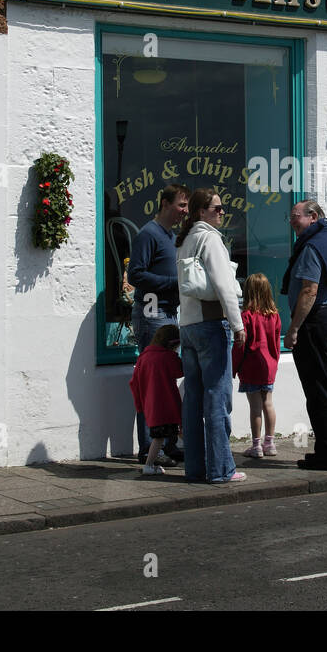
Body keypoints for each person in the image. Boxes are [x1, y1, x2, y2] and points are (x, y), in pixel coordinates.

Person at [176, 189, 247, 485]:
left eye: (222, 207)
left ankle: (195, 469)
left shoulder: (186, 240)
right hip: (210, 325)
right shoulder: (210, 238)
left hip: (188, 327)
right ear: (201, 211)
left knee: (192, 402)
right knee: (218, 400)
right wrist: (238, 324)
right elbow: (223, 285)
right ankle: (221, 469)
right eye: (217, 208)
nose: (222, 212)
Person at [282, 200, 327, 471]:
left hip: (316, 322)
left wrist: (294, 328)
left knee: (318, 391)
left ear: (312, 216)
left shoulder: (312, 246)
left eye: (295, 216)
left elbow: (309, 290)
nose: (291, 221)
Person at [127, 183, 190, 463]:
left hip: (167, 313)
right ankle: (149, 448)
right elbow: (136, 275)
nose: (184, 211)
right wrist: (173, 283)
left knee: (164, 381)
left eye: (187, 206)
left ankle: (164, 442)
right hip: (153, 315)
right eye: (181, 205)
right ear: (164, 204)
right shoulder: (148, 234)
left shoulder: (169, 235)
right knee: (154, 382)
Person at [234, 273, 282, 459]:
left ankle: (256, 446)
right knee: (268, 403)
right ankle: (269, 443)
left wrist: (233, 368)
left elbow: (240, 346)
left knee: (255, 407)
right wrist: (274, 363)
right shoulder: (275, 316)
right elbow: (277, 345)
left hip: (251, 366)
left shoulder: (246, 316)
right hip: (269, 365)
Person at [128, 325, 183, 476]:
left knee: (158, 437)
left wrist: (140, 406)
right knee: (175, 434)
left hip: (151, 407)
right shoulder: (168, 357)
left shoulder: (143, 357)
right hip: (168, 405)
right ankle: (149, 466)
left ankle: (149, 465)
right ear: (173, 344)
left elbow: (134, 383)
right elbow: (180, 371)